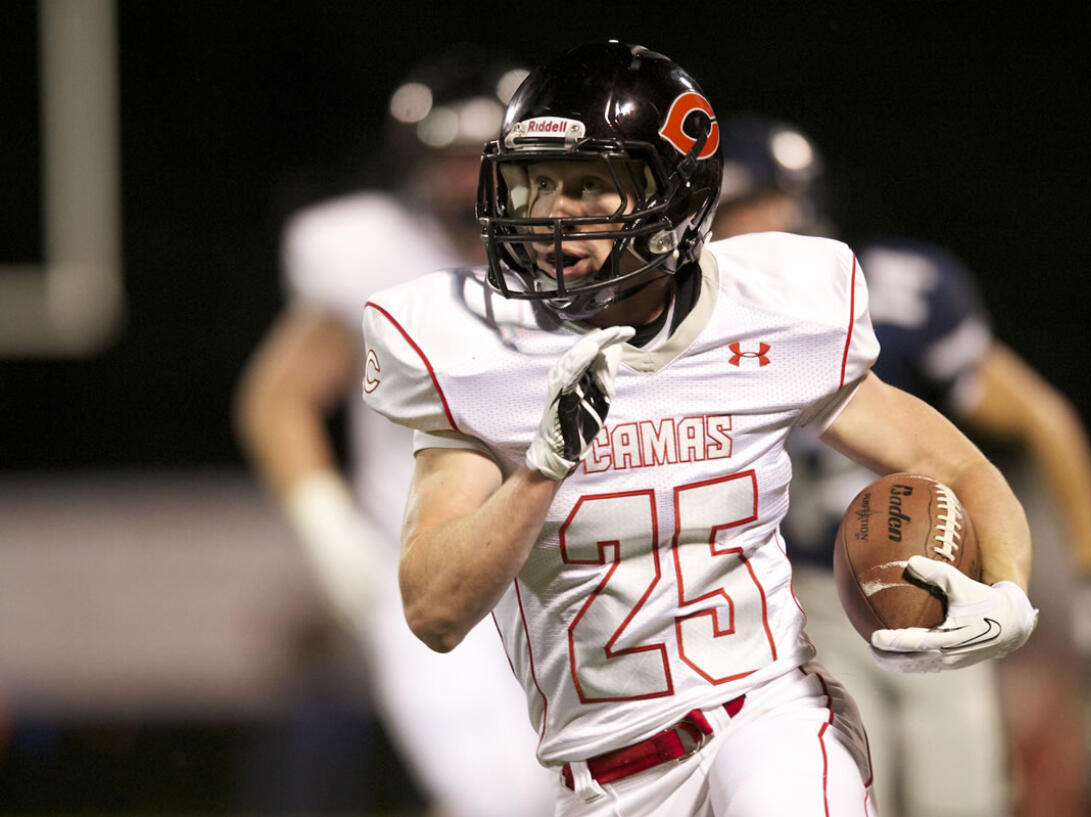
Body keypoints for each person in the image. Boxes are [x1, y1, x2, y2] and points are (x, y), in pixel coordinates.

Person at [361, 41, 1040, 816]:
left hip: (768, 718)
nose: (555, 211)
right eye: (540, 181)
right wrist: (538, 472)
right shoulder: (475, 349)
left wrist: (1011, 593)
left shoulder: (771, 311)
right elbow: (434, 610)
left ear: (678, 199)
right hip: (605, 775)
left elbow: (958, 467)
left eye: (590, 186)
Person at [712, 113, 1091, 817]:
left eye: (759, 203)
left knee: (960, 799)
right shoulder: (697, 322)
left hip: (934, 586)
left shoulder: (889, 294)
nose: (750, 226)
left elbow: (1043, 417)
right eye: (729, 211)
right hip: (799, 612)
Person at [232, 47, 556, 817]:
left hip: (569, 563)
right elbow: (277, 397)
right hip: (431, 559)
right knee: (493, 793)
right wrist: (328, 529)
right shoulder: (372, 253)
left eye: (480, 157)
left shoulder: (580, 249)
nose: (462, 179)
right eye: (445, 158)